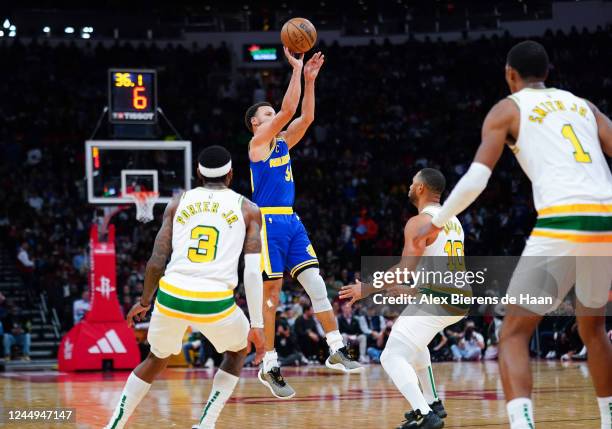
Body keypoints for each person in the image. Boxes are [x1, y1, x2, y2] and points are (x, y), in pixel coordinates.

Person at [415, 40, 612, 429]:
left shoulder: (507, 108)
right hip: (606, 219)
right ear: (548, 72)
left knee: (513, 334)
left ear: (509, 74)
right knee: (593, 328)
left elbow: (475, 179)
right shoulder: (584, 106)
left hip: (563, 219)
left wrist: (438, 221)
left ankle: (522, 425)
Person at [104, 146, 265, 429]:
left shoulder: (178, 202)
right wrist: (258, 324)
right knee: (238, 352)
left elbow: (157, 259)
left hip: (171, 296)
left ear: (199, 173)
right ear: (230, 174)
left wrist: (144, 301)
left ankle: (114, 425)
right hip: (215, 300)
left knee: (156, 358)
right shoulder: (249, 209)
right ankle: (206, 424)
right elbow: (252, 272)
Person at [245, 47, 361, 399]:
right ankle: (269, 364)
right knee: (271, 297)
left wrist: (310, 80)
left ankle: (336, 348)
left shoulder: (282, 143)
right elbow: (288, 110)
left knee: (317, 284)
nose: (273, 117)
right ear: (256, 123)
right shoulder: (258, 144)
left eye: (271, 114)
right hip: (266, 225)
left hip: (292, 222)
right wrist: (295, 69)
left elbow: (305, 117)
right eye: (266, 114)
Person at [341, 168, 468, 429]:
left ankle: (424, 415)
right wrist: (415, 290)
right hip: (457, 297)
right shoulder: (453, 220)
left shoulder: (419, 222)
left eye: (412, 183)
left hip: (439, 299)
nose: (409, 187)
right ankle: (432, 403)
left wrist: (365, 289)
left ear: (421, 188)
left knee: (392, 357)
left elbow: (404, 269)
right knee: (416, 346)